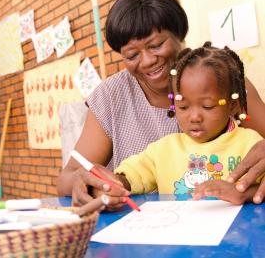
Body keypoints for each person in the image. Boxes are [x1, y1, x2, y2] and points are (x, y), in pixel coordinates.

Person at [57, 0, 265, 210]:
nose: (146, 61)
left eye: (156, 45)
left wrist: (251, 188)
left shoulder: (223, 81)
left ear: (179, 35)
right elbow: (67, 177)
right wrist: (84, 182)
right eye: (132, 54)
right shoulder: (111, 96)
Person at [112, 43, 264, 205]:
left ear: (233, 106)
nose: (194, 117)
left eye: (207, 106)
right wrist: (112, 184)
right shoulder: (162, 150)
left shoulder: (250, 144)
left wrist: (245, 192)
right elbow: (128, 176)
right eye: (183, 106)